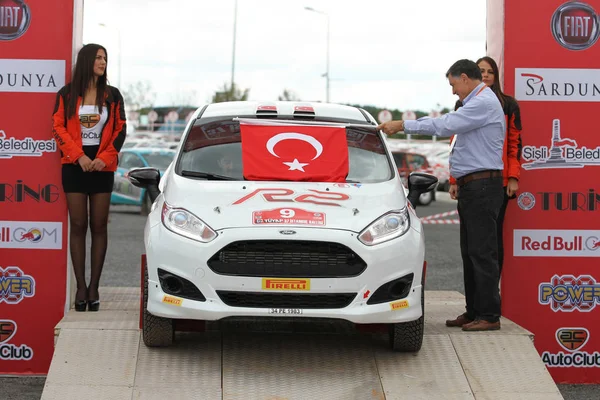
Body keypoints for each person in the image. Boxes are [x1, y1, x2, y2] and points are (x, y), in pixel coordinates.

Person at [378, 59, 506, 331]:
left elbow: (445, 125)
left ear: (464, 77)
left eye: (453, 84)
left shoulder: (482, 102)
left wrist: (404, 125)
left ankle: (489, 316)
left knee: (481, 253)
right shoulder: (476, 103)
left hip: (483, 186)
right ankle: (475, 311)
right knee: (471, 252)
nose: (453, 91)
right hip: (474, 185)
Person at [51, 44, 127, 312]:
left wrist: (103, 158)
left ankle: (95, 287)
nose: (103, 62)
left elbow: (121, 129)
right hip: (75, 165)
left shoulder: (113, 95)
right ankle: (80, 287)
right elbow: (57, 126)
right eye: (98, 57)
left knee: (99, 225)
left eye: (105, 58)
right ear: (86, 61)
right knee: (79, 224)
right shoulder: (67, 94)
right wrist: (78, 157)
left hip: (102, 166)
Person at [448, 56, 522, 277]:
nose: (486, 75)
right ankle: (477, 303)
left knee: (492, 241)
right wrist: (453, 180)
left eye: (490, 71)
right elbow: (456, 142)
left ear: (495, 75)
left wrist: (513, 177)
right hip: (470, 180)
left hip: (498, 180)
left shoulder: (508, 104)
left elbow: (515, 143)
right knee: (471, 245)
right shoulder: (463, 104)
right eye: (481, 71)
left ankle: (490, 296)